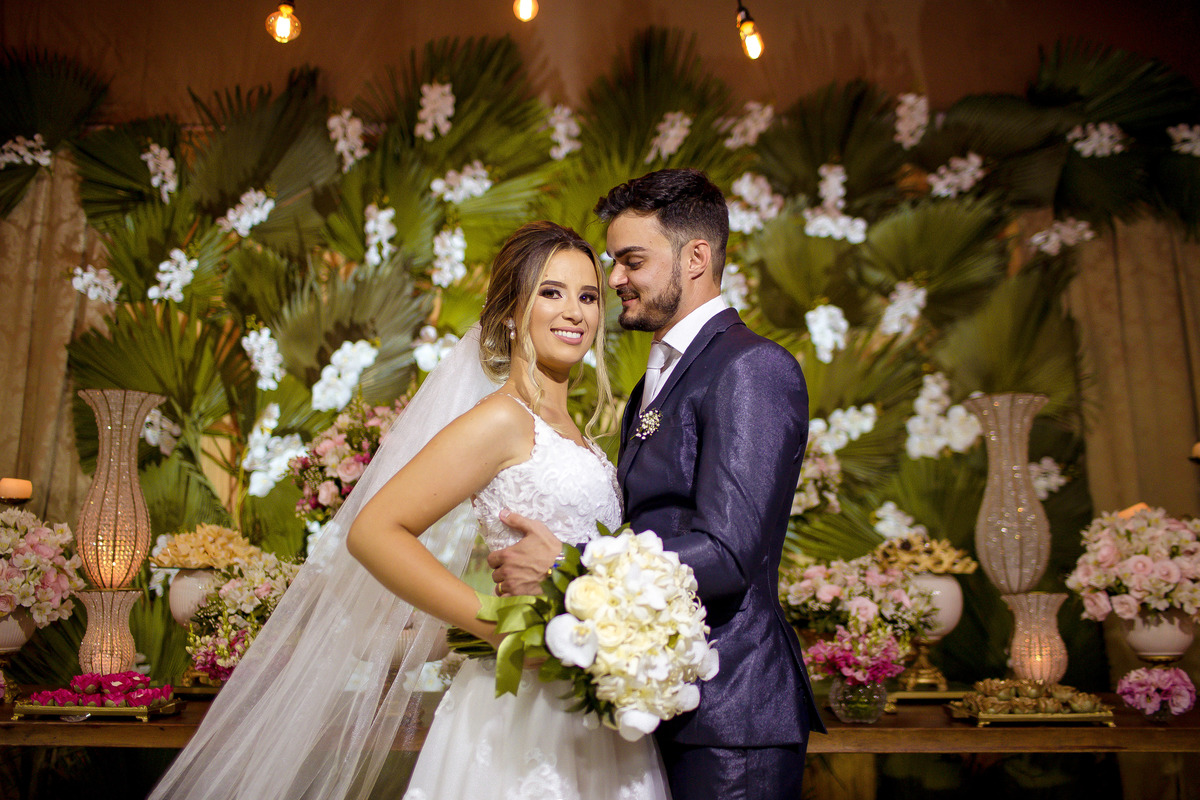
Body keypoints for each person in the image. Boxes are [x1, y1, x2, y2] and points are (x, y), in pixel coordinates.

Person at [147, 221, 669, 800]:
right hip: (520, 712)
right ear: (508, 312)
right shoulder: (502, 419)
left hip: (587, 704)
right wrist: (496, 625)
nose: (574, 311)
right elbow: (374, 531)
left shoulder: (581, 434)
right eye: (551, 292)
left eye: (588, 295)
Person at [490, 169, 825, 800]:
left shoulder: (752, 367)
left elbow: (727, 554)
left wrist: (567, 565)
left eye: (631, 260)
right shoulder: (655, 382)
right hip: (661, 699)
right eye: (615, 261)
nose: (614, 278)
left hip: (732, 713)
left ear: (696, 257)